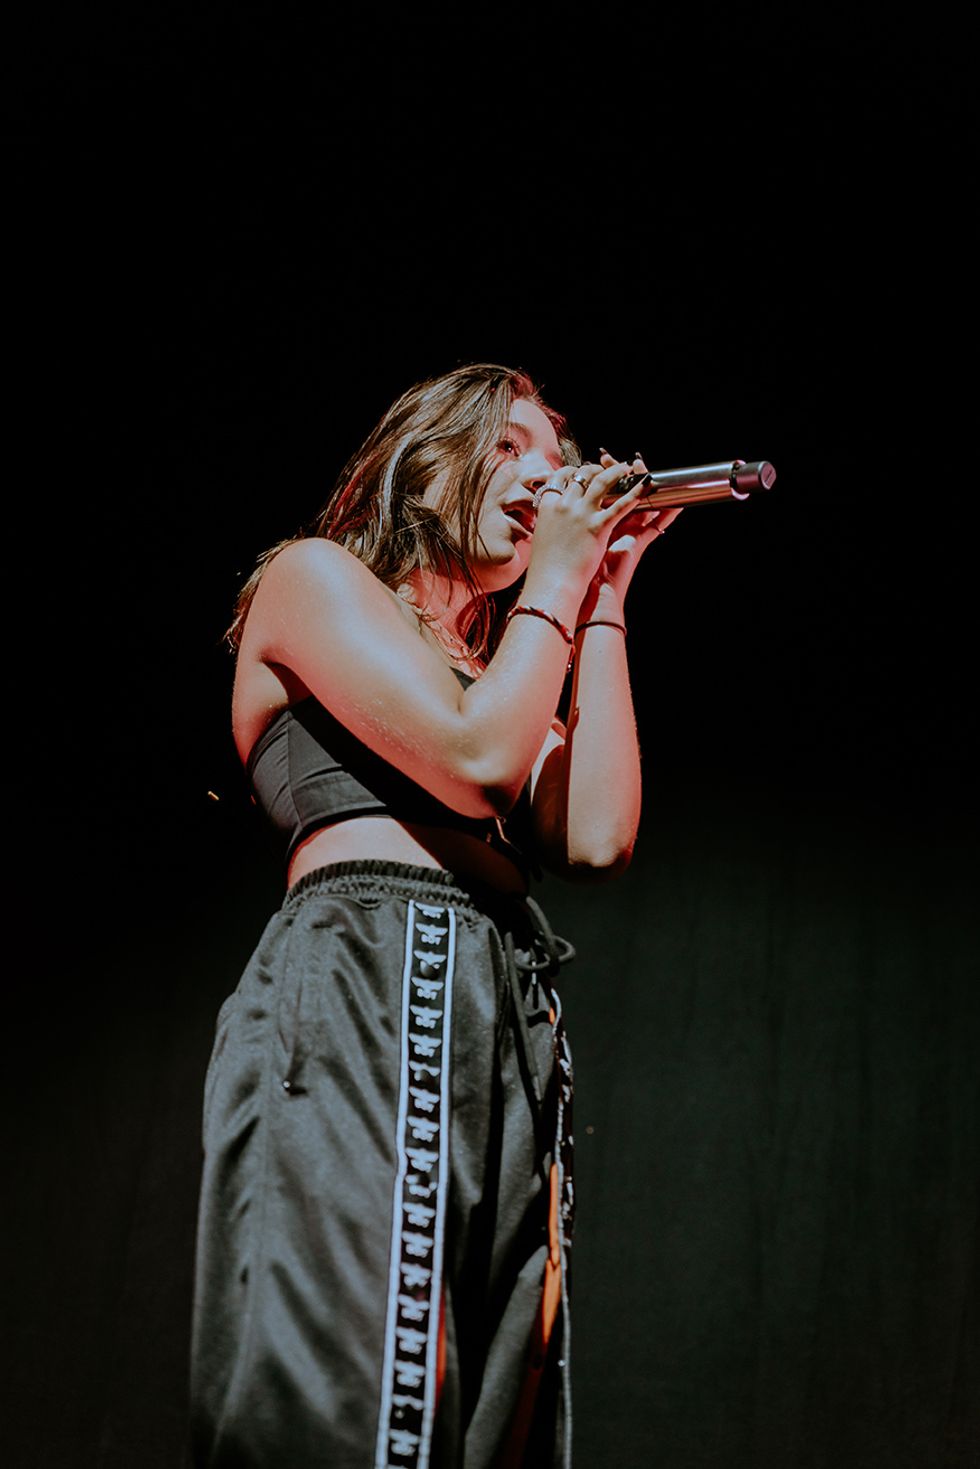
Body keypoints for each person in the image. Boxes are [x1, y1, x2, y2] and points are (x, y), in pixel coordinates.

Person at [190, 363, 680, 1469]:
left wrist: (600, 597)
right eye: (508, 446)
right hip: (370, 968)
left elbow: (594, 835)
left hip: (495, 1003)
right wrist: (557, 584)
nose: (544, 476)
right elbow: (475, 759)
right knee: (364, 1383)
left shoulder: (494, 667)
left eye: (555, 460)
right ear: (423, 464)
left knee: (486, 1400)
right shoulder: (312, 580)